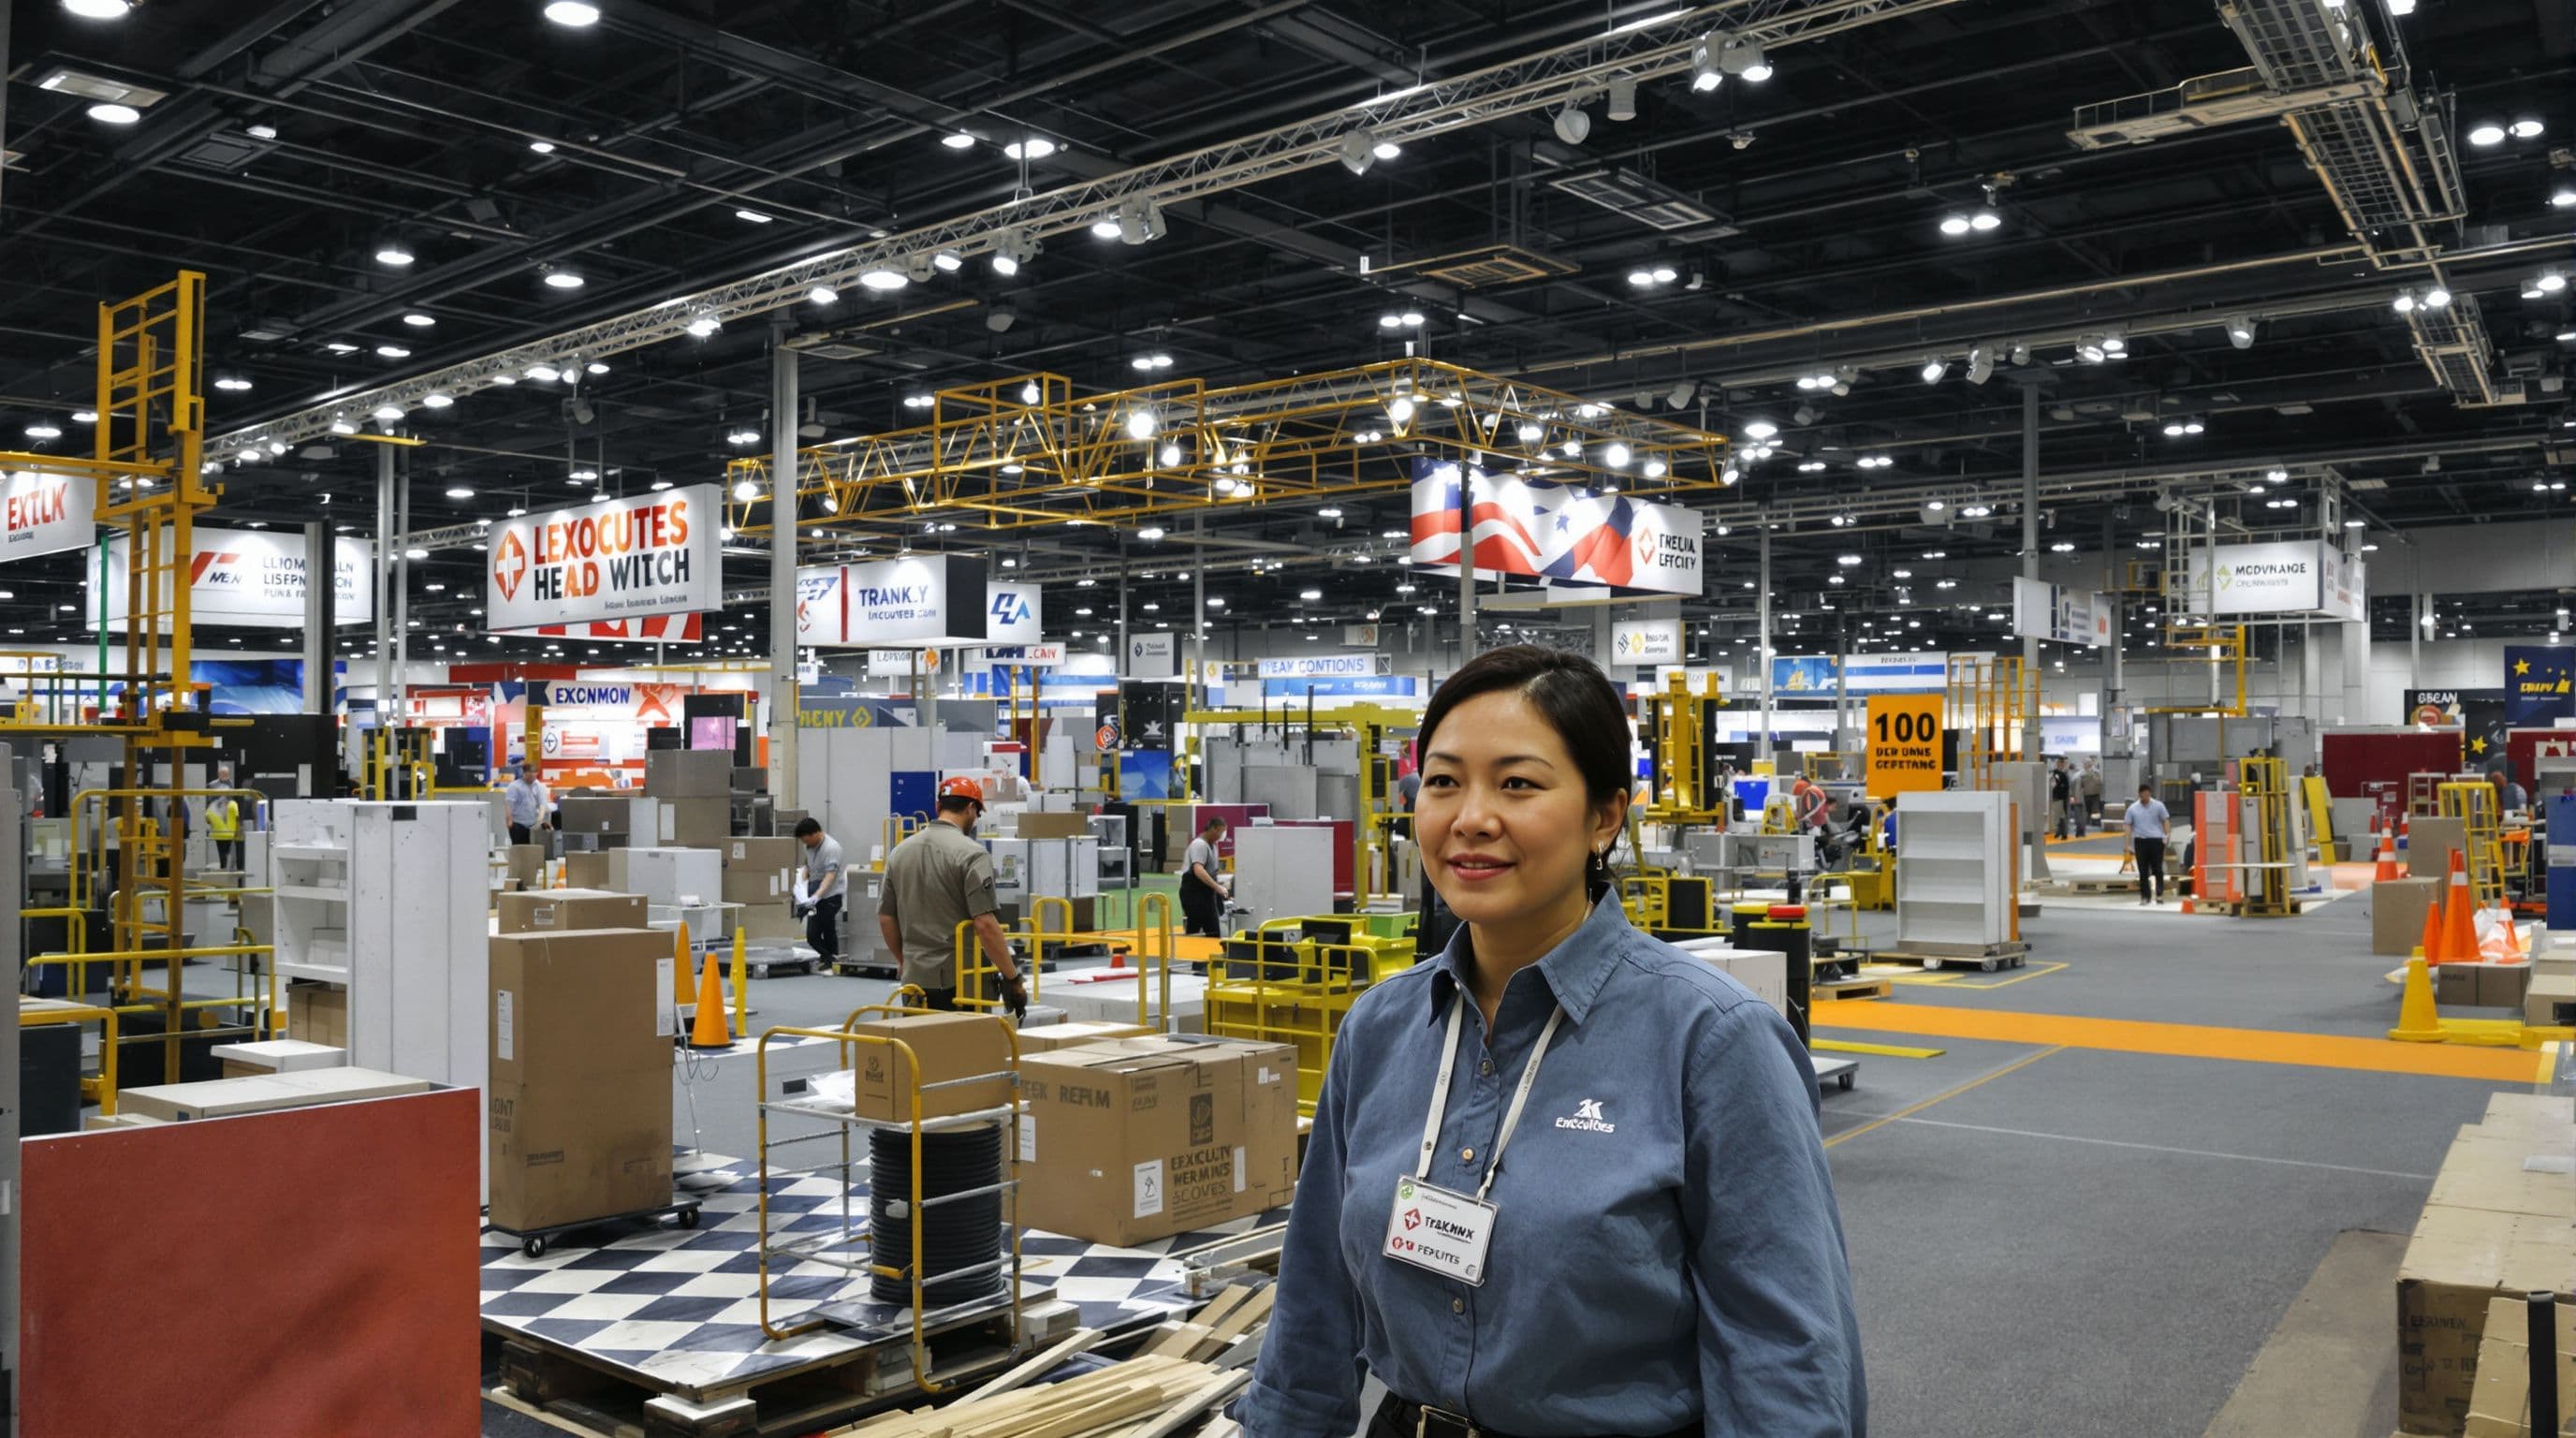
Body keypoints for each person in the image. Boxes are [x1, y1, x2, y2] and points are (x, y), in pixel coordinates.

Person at [1237, 645, 1865, 1438]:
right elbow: (1314, 1304)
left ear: (1606, 814)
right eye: (1443, 781)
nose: (1470, 817)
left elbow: (1783, 1358)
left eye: (1518, 783)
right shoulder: (1382, 1027)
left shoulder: (1711, 1043)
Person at [871, 782, 1028, 1019]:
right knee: (962, 1053)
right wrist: (1013, 978)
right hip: (961, 983)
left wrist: (905, 960)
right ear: (970, 809)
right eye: (977, 813)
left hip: (915, 981)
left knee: (918, 1050)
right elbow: (985, 924)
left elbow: (886, 918)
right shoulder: (972, 854)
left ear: (937, 806)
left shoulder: (899, 852)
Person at [1180, 815, 1232, 939]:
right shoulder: (1200, 845)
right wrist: (1217, 887)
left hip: (1205, 893)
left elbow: (1211, 870)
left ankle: (1196, 957)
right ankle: (1204, 955)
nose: (1222, 835)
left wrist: (1220, 885)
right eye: (1221, 831)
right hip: (1195, 893)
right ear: (1213, 829)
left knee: (1194, 928)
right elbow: (1198, 869)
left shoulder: (1213, 845)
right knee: (1212, 930)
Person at [2126, 784, 2173, 905]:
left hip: (2156, 841)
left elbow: (2165, 820)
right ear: (2139, 794)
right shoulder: (2133, 808)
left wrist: (2167, 836)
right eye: (2143, 795)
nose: (2145, 797)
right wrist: (2127, 844)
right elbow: (2128, 826)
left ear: (2150, 794)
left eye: (2147, 794)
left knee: (2158, 869)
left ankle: (2159, 894)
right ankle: (2145, 896)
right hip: (2141, 841)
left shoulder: (2158, 806)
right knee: (2143, 870)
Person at [503, 763, 549, 847]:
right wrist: (509, 821)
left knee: (533, 851)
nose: (531, 780)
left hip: (533, 825)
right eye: (529, 777)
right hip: (518, 824)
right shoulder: (514, 786)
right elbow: (509, 804)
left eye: (533, 777)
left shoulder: (540, 786)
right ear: (524, 773)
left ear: (537, 774)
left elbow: (542, 804)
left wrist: (540, 820)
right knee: (519, 851)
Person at [206, 791, 242, 873]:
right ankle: (228, 868)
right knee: (228, 851)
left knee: (221, 851)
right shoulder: (233, 804)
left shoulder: (213, 804)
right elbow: (237, 817)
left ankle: (223, 867)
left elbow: (207, 819)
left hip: (217, 833)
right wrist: (238, 830)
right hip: (229, 833)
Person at [2049, 757, 2072, 841]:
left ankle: (2063, 833)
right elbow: (2055, 784)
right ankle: (2060, 832)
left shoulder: (2064, 774)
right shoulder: (2057, 773)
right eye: (2059, 762)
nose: (2060, 764)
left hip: (2062, 797)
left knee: (2062, 816)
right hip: (2058, 797)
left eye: (2061, 763)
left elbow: (2064, 786)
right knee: (2059, 815)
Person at [2079, 760, 2104, 832]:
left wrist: (2091, 776)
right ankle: (2086, 823)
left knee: (2095, 809)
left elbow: (2099, 782)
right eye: (2084, 764)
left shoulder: (2096, 772)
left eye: (2085, 764)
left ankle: (2095, 824)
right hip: (2086, 795)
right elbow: (2080, 784)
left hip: (2095, 794)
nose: (2084, 765)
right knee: (2087, 809)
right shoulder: (2081, 773)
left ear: (2089, 764)